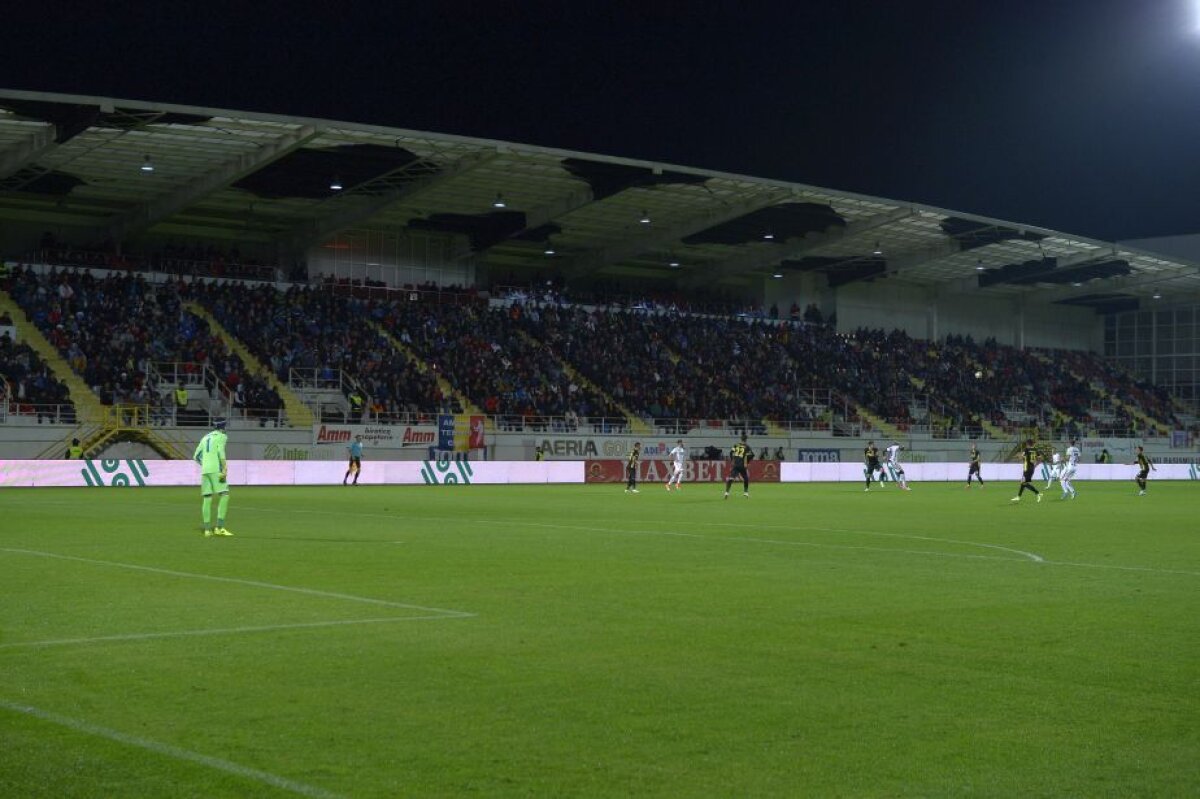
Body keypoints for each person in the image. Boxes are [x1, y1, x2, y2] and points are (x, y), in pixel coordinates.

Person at [193, 418, 232, 536]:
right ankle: (219, 528)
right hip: (216, 469)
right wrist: (224, 467)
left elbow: (196, 456)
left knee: (207, 498)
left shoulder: (205, 437)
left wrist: (205, 464)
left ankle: (207, 530)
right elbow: (221, 451)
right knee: (225, 495)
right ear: (222, 428)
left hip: (205, 470)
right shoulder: (222, 436)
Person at [1011, 438, 1042, 503]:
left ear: (1028, 444)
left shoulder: (1026, 449)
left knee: (1024, 483)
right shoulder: (1036, 450)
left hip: (1027, 468)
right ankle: (1018, 497)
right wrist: (1035, 465)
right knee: (1023, 483)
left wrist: (1017, 456)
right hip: (1031, 468)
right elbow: (1040, 459)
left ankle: (1038, 493)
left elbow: (1021, 457)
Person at [724, 434, 752, 499]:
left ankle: (726, 492)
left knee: (731, 478)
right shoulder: (747, 447)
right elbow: (752, 455)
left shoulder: (736, 445)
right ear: (746, 439)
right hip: (742, 465)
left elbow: (731, 452)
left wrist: (732, 460)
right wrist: (747, 462)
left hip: (735, 464)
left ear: (741, 439)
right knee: (746, 478)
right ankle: (746, 493)